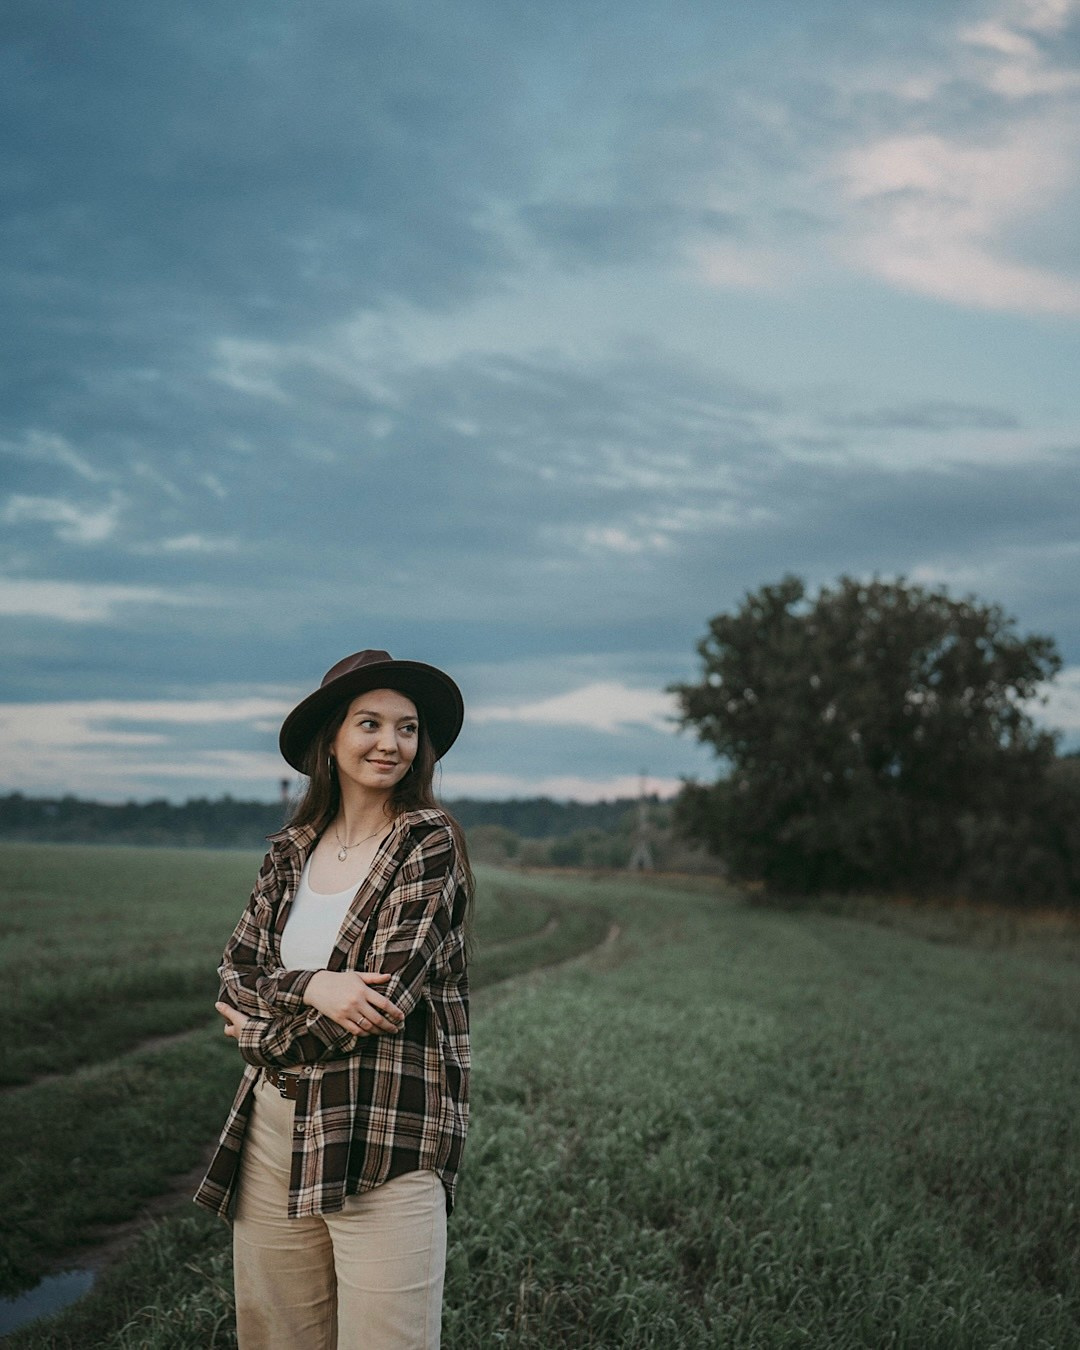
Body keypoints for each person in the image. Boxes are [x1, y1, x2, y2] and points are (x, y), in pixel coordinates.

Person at [194, 649, 474, 1350]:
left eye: (407, 728)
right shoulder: (290, 851)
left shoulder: (427, 844)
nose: (390, 743)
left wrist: (258, 1033)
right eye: (370, 723)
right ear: (331, 739)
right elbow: (235, 972)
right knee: (278, 1338)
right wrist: (315, 983)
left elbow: (381, 1003)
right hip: (270, 1129)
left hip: (382, 1135)